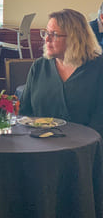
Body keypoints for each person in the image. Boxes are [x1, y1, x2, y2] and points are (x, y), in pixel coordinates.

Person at [20, 8, 103, 136]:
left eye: (54, 34)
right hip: (40, 145)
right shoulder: (39, 66)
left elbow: (99, 121)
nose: (47, 39)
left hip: (86, 147)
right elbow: (25, 112)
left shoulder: (98, 67)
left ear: (74, 39)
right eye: (46, 33)